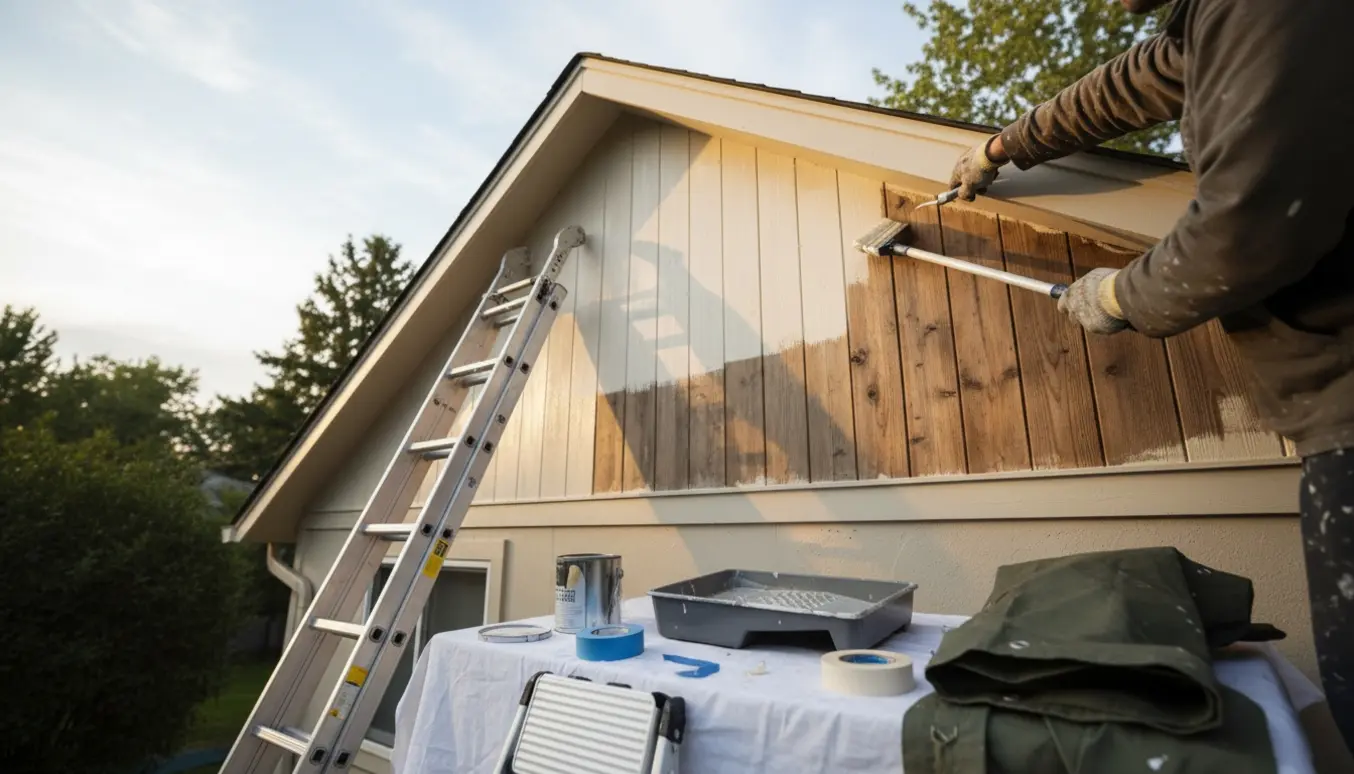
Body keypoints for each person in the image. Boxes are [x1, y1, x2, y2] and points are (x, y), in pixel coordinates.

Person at [946, 0, 1354, 753]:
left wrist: (1118, 295)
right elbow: (1130, 83)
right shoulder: (1212, 23)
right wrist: (1001, 146)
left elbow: (1247, 228)